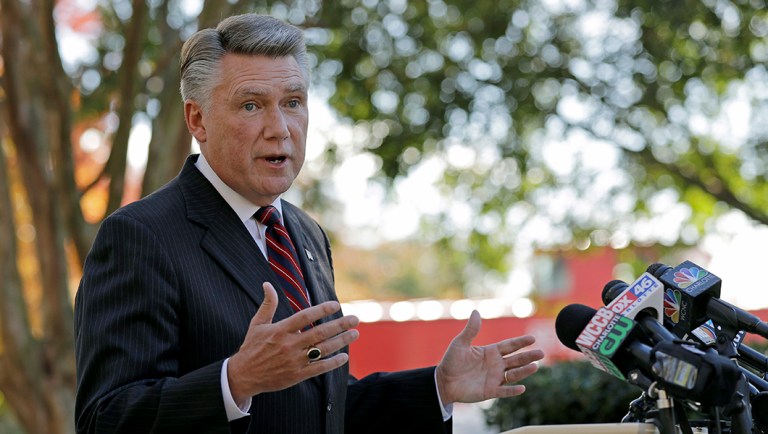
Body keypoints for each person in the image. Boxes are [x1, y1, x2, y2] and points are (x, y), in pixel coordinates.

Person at [74, 13, 545, 434]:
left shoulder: (306, 234)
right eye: (251, 105)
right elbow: (105, 418)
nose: (280, 127)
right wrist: (235, 380)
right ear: (197, 118)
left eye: (293, 102)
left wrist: (437, 388)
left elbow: (324, 406)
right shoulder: (140, 236)